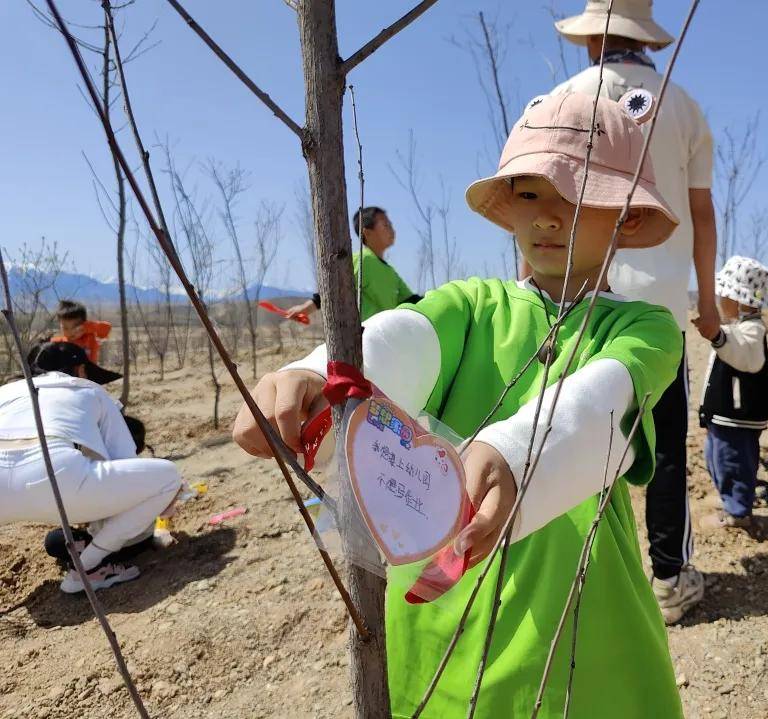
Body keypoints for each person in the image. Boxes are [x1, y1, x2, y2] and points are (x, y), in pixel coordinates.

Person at [234, 92, 684, 717]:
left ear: (627, 217)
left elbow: (607, 394)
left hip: (577, 595)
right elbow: (403, 338)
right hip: (442, 580)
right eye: (529, 195)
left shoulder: (646, 328)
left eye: (575, 196)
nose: (549, 218)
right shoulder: (472, 306)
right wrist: (313, 378)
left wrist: (512, 452)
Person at [548, 0, 718, 624]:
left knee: (582, 440)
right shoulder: (684, 106)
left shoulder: (563, 100)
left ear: (594, 40)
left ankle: (590, 585)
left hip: (584, 303)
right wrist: (705, 302)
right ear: (642, 40)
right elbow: (701, 216)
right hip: (662, 312)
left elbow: (540, 206)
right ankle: (669, 580)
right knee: (667, 446)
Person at [0, 342, 182, 593]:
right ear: (81, 370)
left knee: (57, 536)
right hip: (57, 479)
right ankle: (87, 568)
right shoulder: (87, 389)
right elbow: (122, 460)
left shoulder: (6, 392)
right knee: (169, 477)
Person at [697, 256, 768, 531]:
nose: (719, 300)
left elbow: (747, 359)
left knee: (733, 463)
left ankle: (738, 513)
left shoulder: (752, 330)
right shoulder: (738, 329)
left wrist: (718, 336)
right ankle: (730, 501)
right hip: (723, 416)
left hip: (737, 418)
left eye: (724, 295)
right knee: (717, 459)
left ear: (741, 301)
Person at [284, 207, 422, 322]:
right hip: (364, 338)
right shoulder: (361, 260)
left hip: (387, 337)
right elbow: (333, 287)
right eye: (385, 225)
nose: (392, 229)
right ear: (367, 232)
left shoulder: (390, 272)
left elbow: (411, 300)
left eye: (391, 225)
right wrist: (307, 308)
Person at [52, 299, 112, 364]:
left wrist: (86, 327)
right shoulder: (57, 343)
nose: (71, 332)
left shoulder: (90, 338)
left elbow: (107, 328)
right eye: (65, 328)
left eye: (75, 327)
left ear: (84, 324)